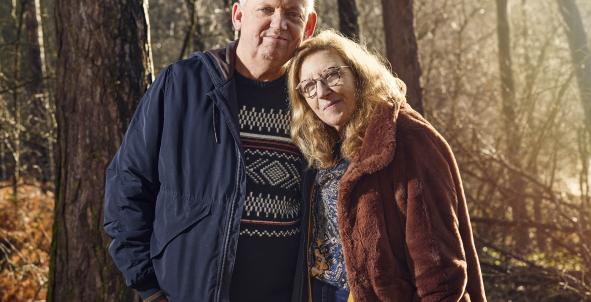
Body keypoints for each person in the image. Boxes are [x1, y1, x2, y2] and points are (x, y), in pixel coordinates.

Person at [103, 1, 317, 301]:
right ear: (238, 16)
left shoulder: (314, 101)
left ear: (308, 26)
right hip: (187, 293)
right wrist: (150, 289)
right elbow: (126, 187)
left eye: (293, 14)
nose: (279, 23)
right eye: (266, 9)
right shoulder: (182, 85)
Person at [287, 30, 487, 301]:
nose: (322, 92)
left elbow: (440, 271)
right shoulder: (325, 147)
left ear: (357, 75)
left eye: (332, 75)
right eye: (309, 86)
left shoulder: (407, 138)